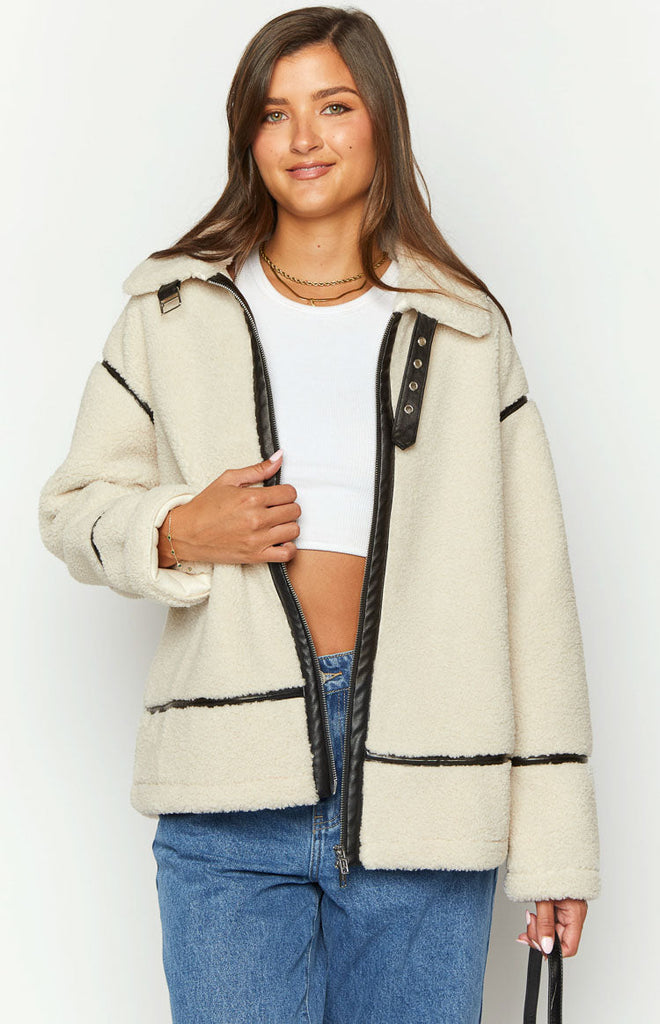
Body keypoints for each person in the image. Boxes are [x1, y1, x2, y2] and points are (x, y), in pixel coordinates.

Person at [38, 6, 601, 1023]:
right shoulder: (171, 311)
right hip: (227, 793)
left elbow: (535, 593)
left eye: (333, 106)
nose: (303, 137)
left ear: (380, 118)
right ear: (247, 138)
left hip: (431, 789)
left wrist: (557, 842)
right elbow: (72, 508)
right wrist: (176, 527)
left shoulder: (465, 332)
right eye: (274, 113)